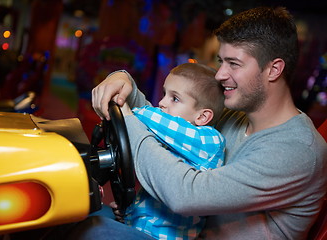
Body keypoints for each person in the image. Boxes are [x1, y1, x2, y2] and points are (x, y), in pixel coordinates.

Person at [68, 6, 327, 240]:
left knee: (88, 232)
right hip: (181, 232)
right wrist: (123, 82)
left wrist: (127, 115)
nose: (221, 75)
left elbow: (186, 195)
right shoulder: (235, 116)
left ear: (273, 70)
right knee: (73, 212)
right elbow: (168, 123)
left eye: (233, 64)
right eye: (221, 62)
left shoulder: (297, 150)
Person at [120, 63, 225, 240]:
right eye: (164, 94)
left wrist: (129, 112)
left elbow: (156, 120)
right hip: (140, 227)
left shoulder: (210, 141)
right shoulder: (174, 141)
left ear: (202, 116)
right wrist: (129, 212)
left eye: (174, 98)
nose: (161, 103)